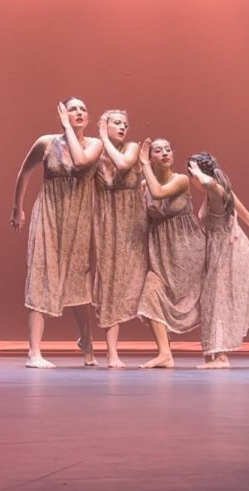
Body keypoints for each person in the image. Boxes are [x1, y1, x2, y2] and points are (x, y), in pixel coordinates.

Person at [9, 98, 102, 368]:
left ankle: (86, 342)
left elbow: (81, 161)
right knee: (40, 275)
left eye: (83, 109)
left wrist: (69, 131)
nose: (79, 112)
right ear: (63, 114)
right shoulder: (46, 142)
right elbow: (23, 173)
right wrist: (17, 208)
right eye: (73, 109)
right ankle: (34, 352)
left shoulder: (94, 144)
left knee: (77, 281)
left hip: (79, 219)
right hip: (48, 214)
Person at [187, 152, 249, 368]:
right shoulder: (218, 191)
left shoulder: (215, 189)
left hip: (232, 253)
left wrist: (198, 173)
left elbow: (244, 215)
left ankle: (221, 357)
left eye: (191, 174)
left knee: (219, 300)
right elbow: (247, 216)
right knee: (238, 303)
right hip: (229, 252)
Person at [136, 138, 206, 369]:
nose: (164, 153)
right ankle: (165, 354)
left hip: (188, 250)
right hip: (162, 253)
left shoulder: (181, 180)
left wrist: (144, 163)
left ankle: (216, 353)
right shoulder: (145, 186)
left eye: (168, 149)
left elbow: (159, 193)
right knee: (151, 292)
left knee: (204, 298)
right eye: (158, 150)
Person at [86, 110, 148, 368]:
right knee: (110, 283)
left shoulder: (131, 148)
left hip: (132, 224)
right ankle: (111, 353)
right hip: (107, 225)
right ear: (105, 124)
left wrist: (103, 138)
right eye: (117, 123)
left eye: (126, 124)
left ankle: (164, 350)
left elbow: (123, 164)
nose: (123, 127)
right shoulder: (94, 155)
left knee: (139, 280)